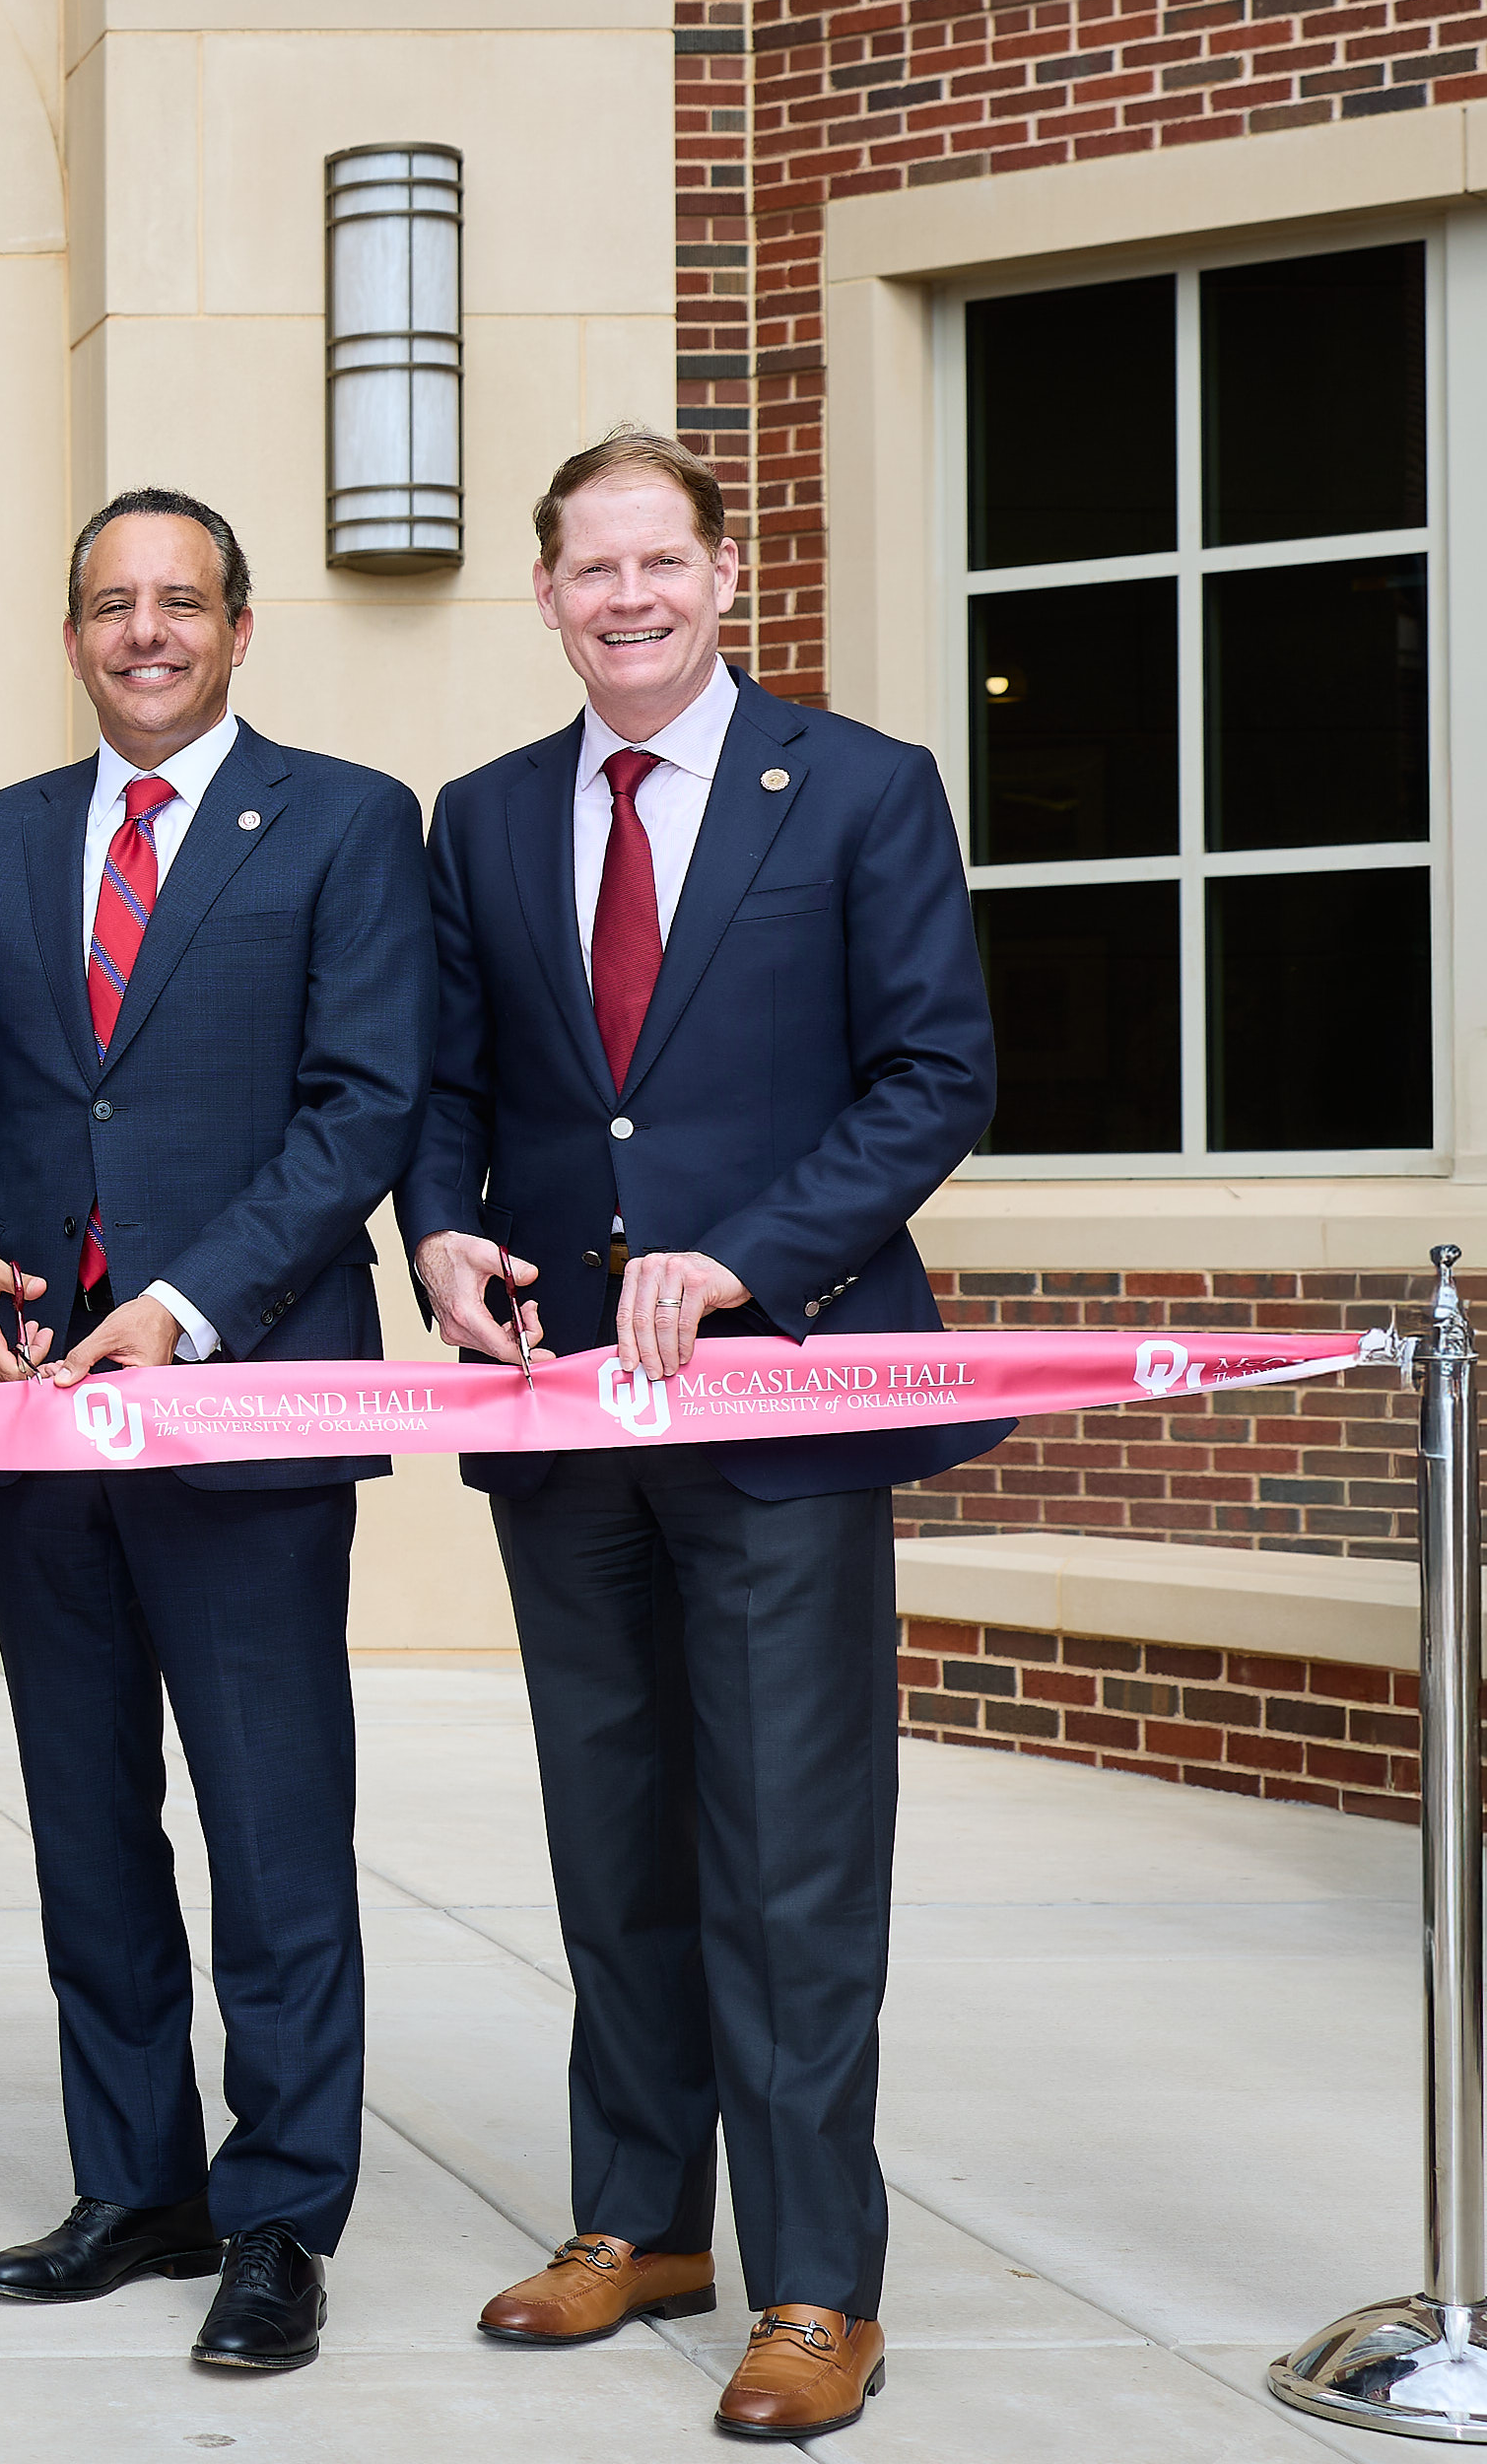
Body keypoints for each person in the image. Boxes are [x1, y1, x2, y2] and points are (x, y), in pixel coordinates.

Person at [406, 429, 998, 2446]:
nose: (629, 598)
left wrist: (751, 1257)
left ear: (726, 574)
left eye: (663, 561)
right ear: (549, 592)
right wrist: (442, 1226)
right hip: (566, 1415)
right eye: (593, 569)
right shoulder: (481, 818)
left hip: (784, 1402)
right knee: (617, 1836)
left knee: (792, 1852)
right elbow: (446, 1083)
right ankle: (639, 2219)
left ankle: (820, 2274)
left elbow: (935, 1075)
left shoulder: (859, 789)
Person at [0, 489, 428, 2379]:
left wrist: (189, 1307)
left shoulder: (353, 823)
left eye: (179, 602)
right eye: (112, 605)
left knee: (276, 1839)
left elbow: (364, 1106)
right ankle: (137, 2184)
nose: (146, 633)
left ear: (239, 627)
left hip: (244, 1409)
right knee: (87, 1826)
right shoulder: (7, 839)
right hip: (39, 1424)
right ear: (71, 637)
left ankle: (280, 2217)